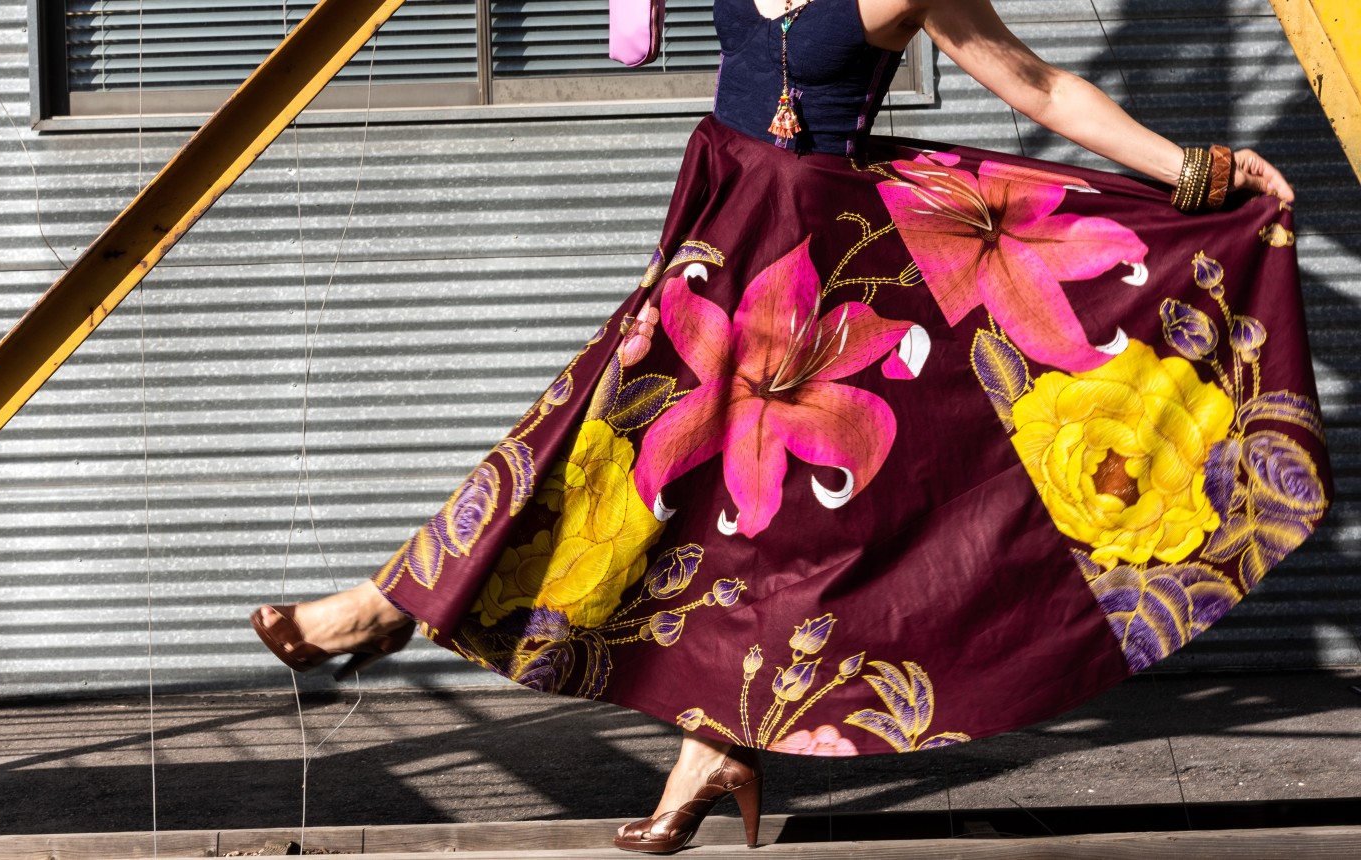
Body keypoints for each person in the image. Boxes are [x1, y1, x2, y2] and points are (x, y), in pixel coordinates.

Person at [253, 0, 1329, 853]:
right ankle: (409, 615)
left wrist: (1194, 169)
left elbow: (1040, 84)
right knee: (596, 448)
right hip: (716, 245)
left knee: (750, 523)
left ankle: (405, 619)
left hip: (824, 272)